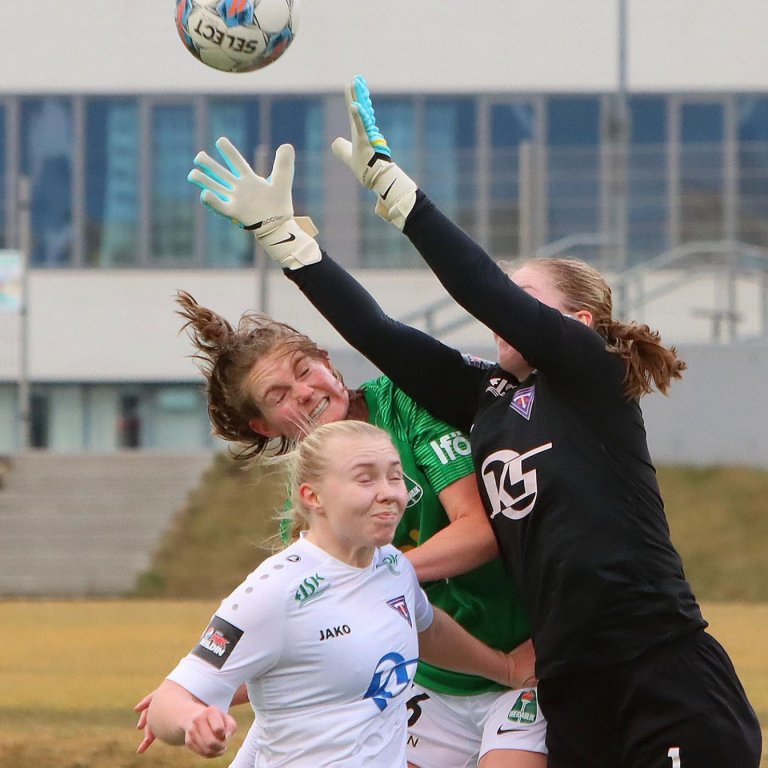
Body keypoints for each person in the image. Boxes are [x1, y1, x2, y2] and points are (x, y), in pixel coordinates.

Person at [185, 76, 763, 768]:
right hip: (570, 684)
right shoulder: (486, 399)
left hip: (659, 666)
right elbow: (379, 333)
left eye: (524, 299)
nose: (499, 312)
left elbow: (479, 286)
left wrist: (402, 197)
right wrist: (286, 240)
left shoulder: (591, 376)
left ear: (575, 322)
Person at [146, 419, 536, 768]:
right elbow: (171, 699)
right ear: (312, 496)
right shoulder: (274, 592)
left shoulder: (394, 567)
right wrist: (191, 720)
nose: (389, 493)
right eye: (365, 479)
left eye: (395, 476)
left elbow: (426, 629)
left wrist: (503, 667)